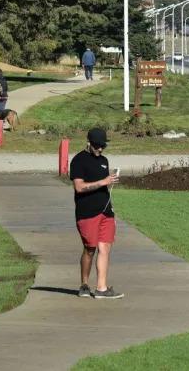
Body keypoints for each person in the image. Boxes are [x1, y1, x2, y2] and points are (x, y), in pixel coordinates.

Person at [69, 128, 123, 299]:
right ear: (89, 143)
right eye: (98, 146)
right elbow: (79, 187)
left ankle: (101, 288)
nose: (100, 149)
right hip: (87, 212)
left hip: (106, 211)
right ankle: (84, 284)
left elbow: (104, 186)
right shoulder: (78, 161)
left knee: (105, 247)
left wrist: (110, 182)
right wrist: (103, 181)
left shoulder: (104, 161)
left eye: (103, 146)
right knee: (90, 248)